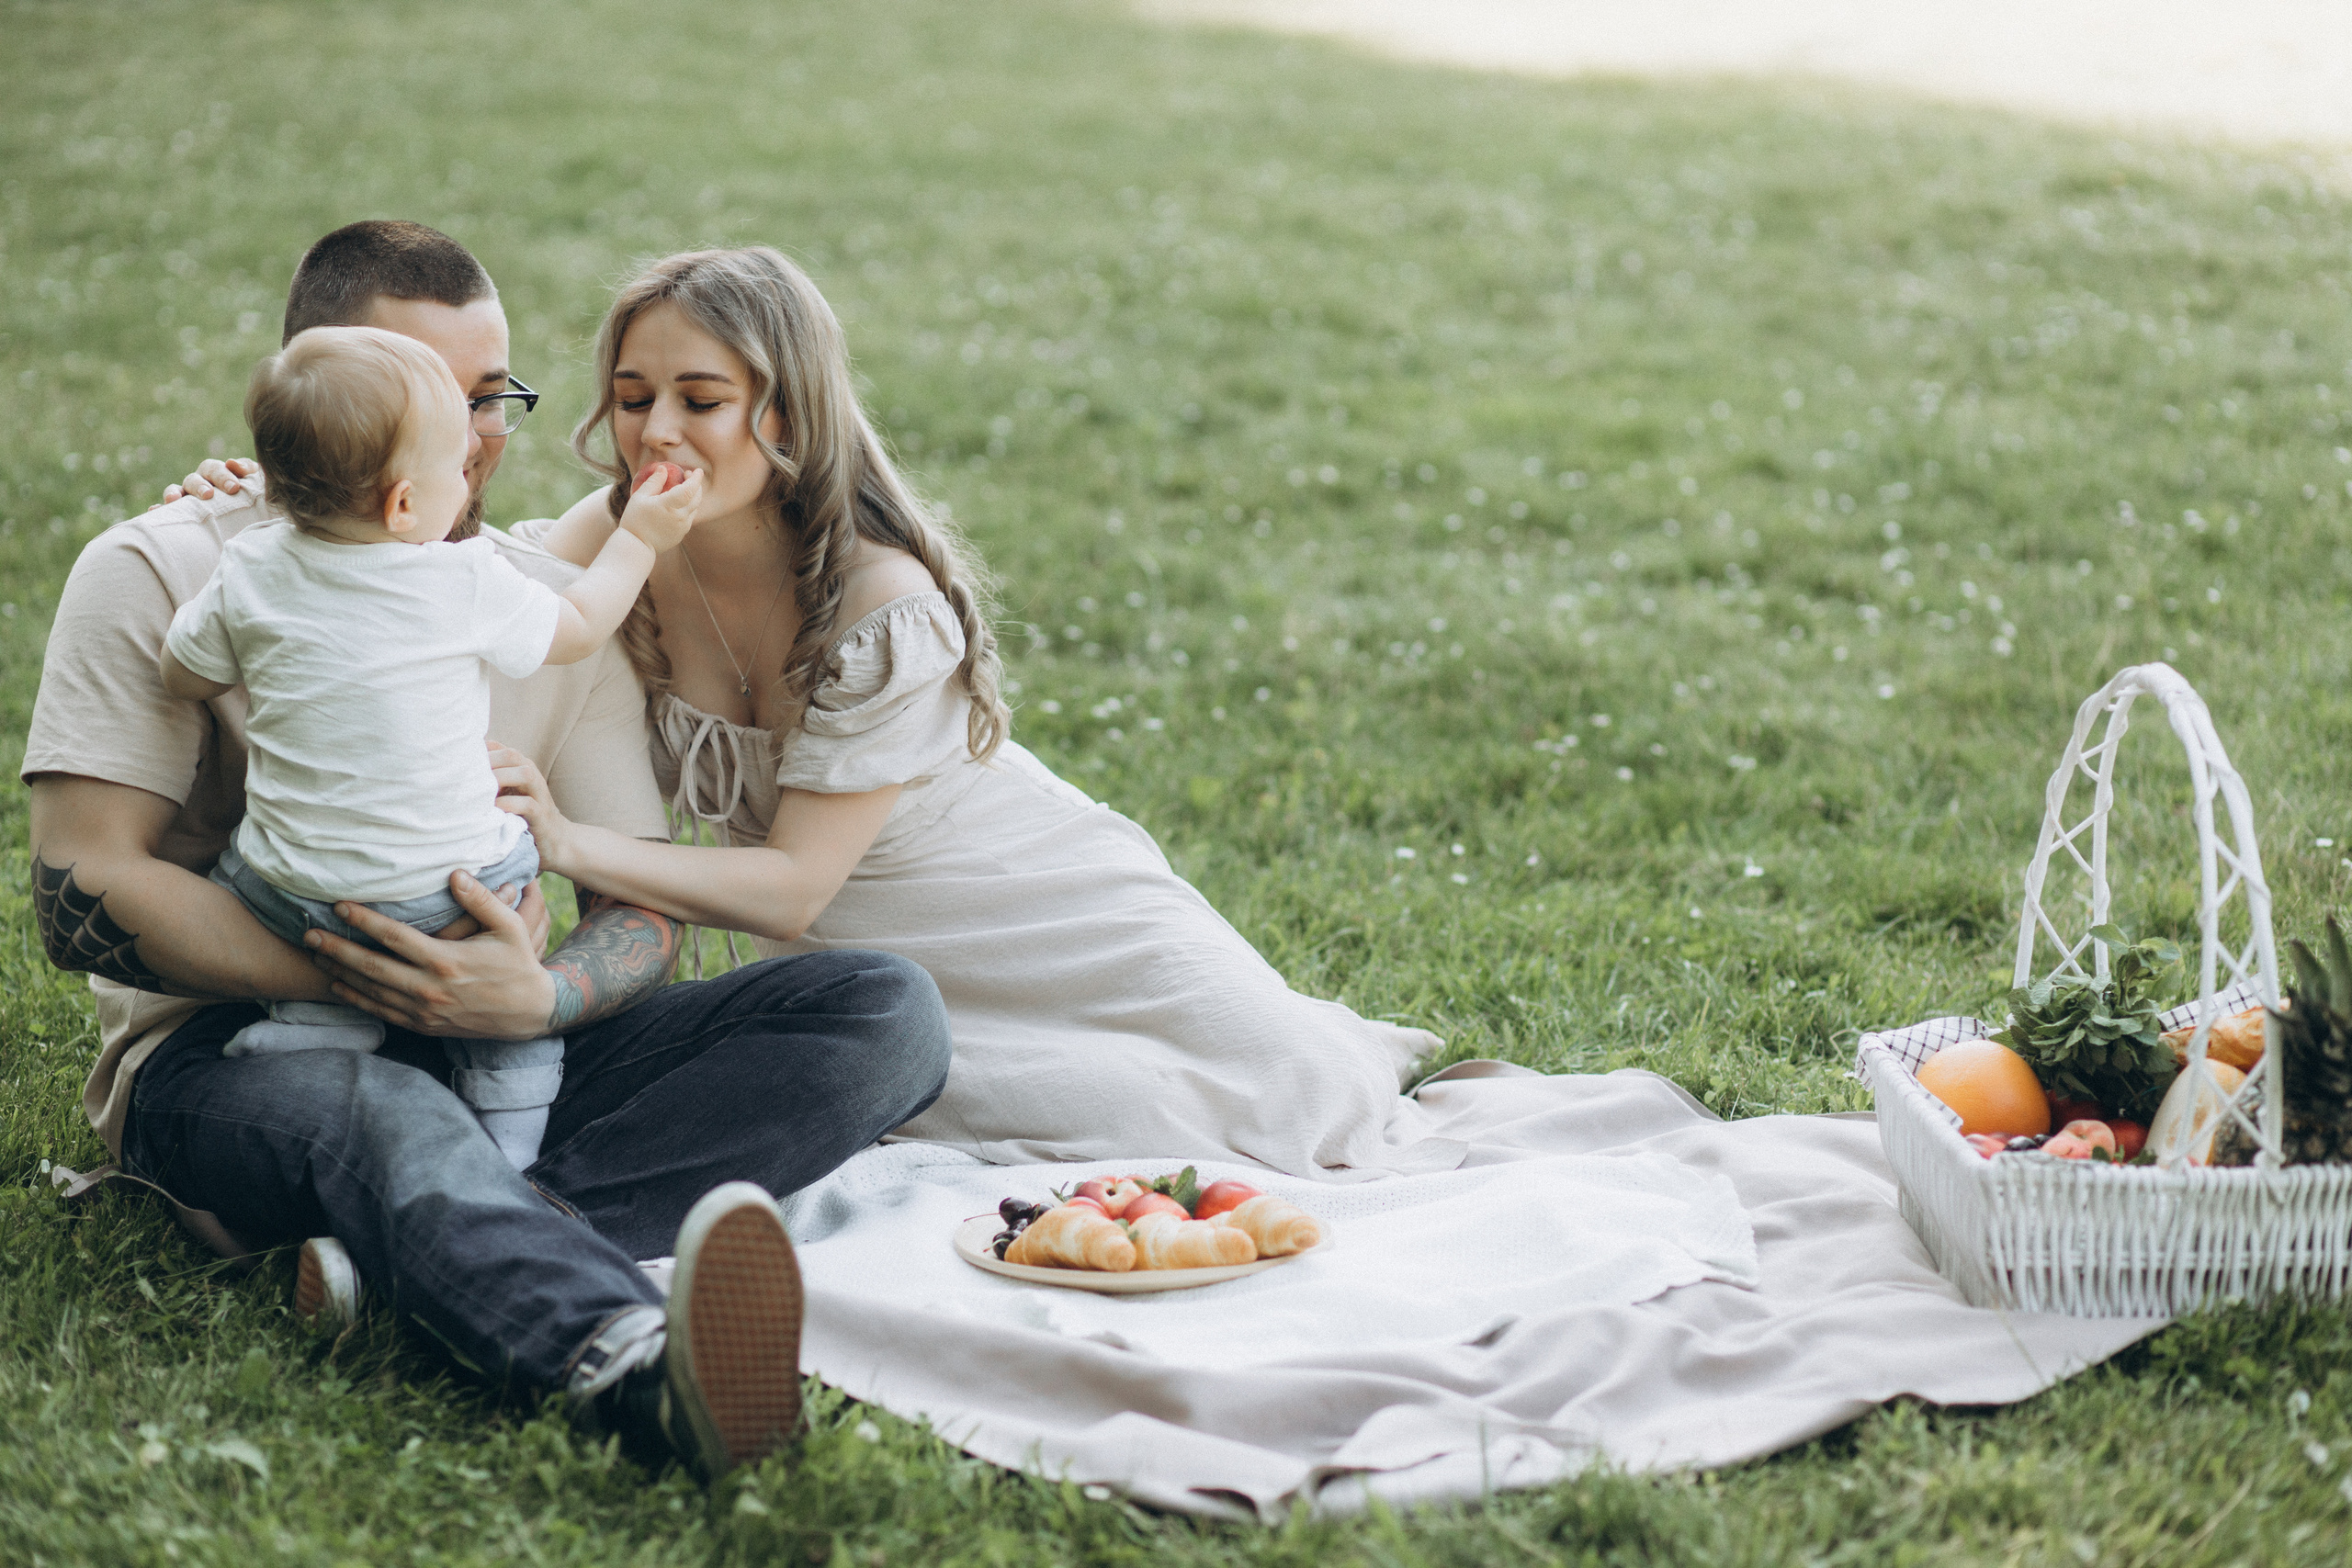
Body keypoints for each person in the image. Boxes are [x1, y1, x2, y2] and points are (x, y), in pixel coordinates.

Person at [25, 221, 954, 1480]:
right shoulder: (170, 569)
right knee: (388, 1102)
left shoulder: (534, 603)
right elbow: (82, 886)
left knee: (882, 1008)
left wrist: (540, 989)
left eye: (491, 396)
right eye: (425, 396)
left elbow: (638, 904)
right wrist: (364, 975)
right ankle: (624, 1361)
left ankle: (406, 1255)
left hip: (504, 1027)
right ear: (310, 386)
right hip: (236, 1051)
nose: (476, 438)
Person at [503, 246, 1462, 1179]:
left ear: (786, 411)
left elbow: (796, 885)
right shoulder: (623, 537)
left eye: (700, 401)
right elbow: (497, 612)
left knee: (1292, 1099)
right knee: (1043, 1107)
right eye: (634, 399)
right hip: (872, 977)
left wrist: (567, 844)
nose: (656, 432)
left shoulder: (880, 598)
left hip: (1030, 900)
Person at [161, 325, 707, 1168]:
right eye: (457, 463)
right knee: (511, 960)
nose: (473, 472)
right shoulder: (461, 578)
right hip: (458, 896)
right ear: (403, 507)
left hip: (298, 900)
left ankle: (314, 1029)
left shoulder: (249, 567)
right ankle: (515, 1145)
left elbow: (181, 672)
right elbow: (580, 625)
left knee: (247, 871)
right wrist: (639, 536)